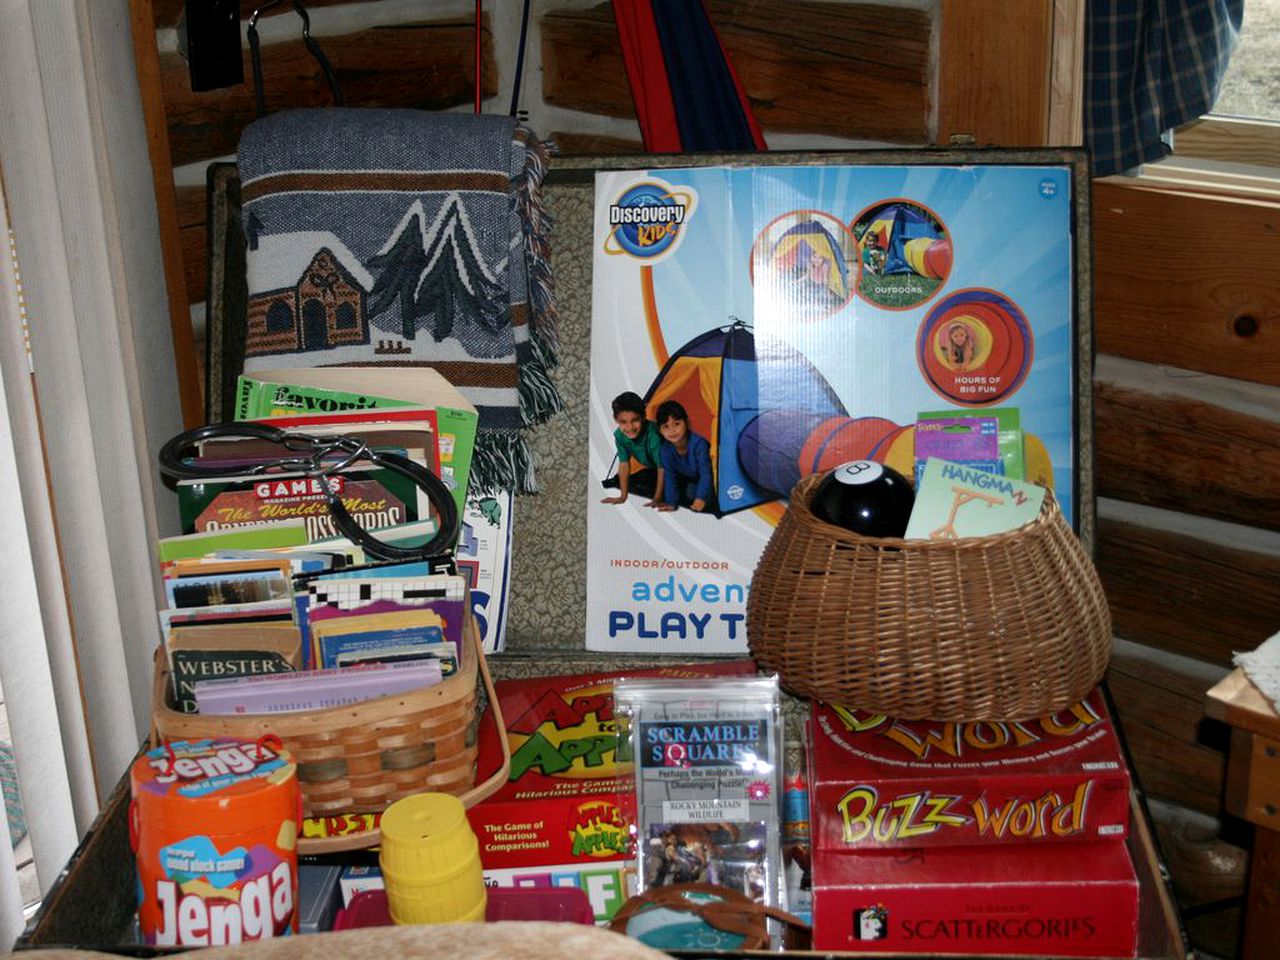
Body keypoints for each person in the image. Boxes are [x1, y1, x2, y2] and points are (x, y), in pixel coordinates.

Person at [601, 391, 664, 506]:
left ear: (643, 417)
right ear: (616, 420)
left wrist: (657, 498)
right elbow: (624, 464)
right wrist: (623, 496)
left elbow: (663, 467)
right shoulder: (620, 436)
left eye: (635, 420)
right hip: (653, 467)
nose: (630, 427)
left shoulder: (653, 435)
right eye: (623, 422)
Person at [655, 400, 715, 514]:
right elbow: (669, 476)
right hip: (688, 476)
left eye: (677, 424)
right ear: (660, 430)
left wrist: (700, 497)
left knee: (694, 494)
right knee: (684, 492)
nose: (672, 430)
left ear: (687, 423)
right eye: (666, 426)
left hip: (710, 477)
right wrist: (671, 502)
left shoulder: (699, 444)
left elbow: (706, 473)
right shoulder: (665, 450)